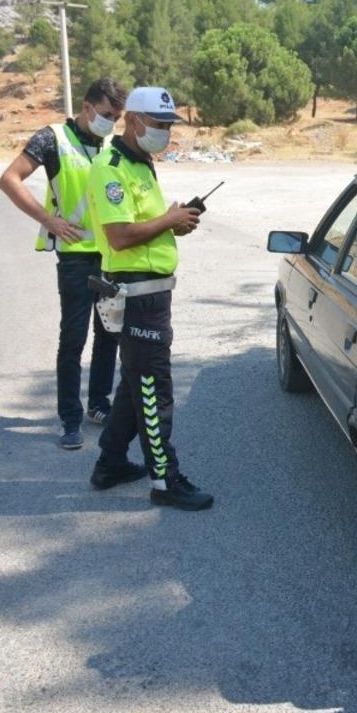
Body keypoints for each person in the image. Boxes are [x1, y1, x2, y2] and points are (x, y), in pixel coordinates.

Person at [85, 86, 213, 510]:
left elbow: (144, 226)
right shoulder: (110, 167)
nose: (165, 132)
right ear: (134, 121)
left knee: (135, 382)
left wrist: (172, 224)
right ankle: (165, 480)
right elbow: (119, 236)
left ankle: (110, 464)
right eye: (159, 124)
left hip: (152, 294)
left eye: (169, 125)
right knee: (153, 387)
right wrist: (167, 220)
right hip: (136, 296)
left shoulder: (141, 163)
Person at [0, 78, 127, 450]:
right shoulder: (52, 138)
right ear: (86, 107)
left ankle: (98, 405)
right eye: (106, 114)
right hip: (75, 257)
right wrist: (48, 220)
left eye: (116, 118)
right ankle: (70, 419)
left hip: (112, 254)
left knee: (109, 333)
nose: (110, 123)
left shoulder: (111, 144)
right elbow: (9, 179)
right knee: (73, 338)